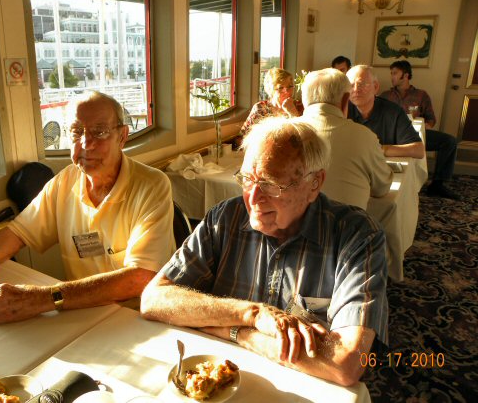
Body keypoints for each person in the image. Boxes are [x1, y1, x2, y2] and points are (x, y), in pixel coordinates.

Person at [141, 117, 388, 387]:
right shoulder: (225, 218)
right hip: (223, 385)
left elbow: (347, 362)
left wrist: (238, 333)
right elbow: (154, 299)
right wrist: (252, 314)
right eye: (247, 179)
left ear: (314, 183)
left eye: (271, 184)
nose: (253, 198)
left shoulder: (356, 236)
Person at [0, 91, 176, 323]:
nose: (86, 143)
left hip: (138, 317)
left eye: (99, 132)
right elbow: (17, 232)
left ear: (122, 136)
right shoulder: (65, 181)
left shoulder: (152, 185)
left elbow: (140, 277)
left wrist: (41, 298)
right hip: (81, 313)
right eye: (77, 132)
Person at [300, 68, 393, 209]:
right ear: (345, 101)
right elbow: (382, 188)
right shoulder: (364, 136)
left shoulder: (282, 133)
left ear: (304, 99)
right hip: (346, 222)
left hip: (290, 222)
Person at [380, 60, 459, 200]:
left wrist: (423, 127)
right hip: (392, 136)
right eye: (391, 73)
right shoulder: (385, 96)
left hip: (416, 136)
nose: (391, 77)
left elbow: (431, 119)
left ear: (405, 75)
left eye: (395, 73)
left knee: (449, 141)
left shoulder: (421, 95)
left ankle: (437, 184)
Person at [346, 65, 425, 159]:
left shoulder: (394, 112)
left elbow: (418, 150)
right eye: (351, 85)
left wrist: (377, 149)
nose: (355, 90)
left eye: (361, 84)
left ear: (375, 87)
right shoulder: (342, 110)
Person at [239, 68, 302, 139]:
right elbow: (243, 136)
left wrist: (293, 112)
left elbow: (305, 136)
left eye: (290, 86)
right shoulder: (261, 108)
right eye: (281, 87)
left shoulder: (299, 106)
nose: (287, 91)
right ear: (270, 90)